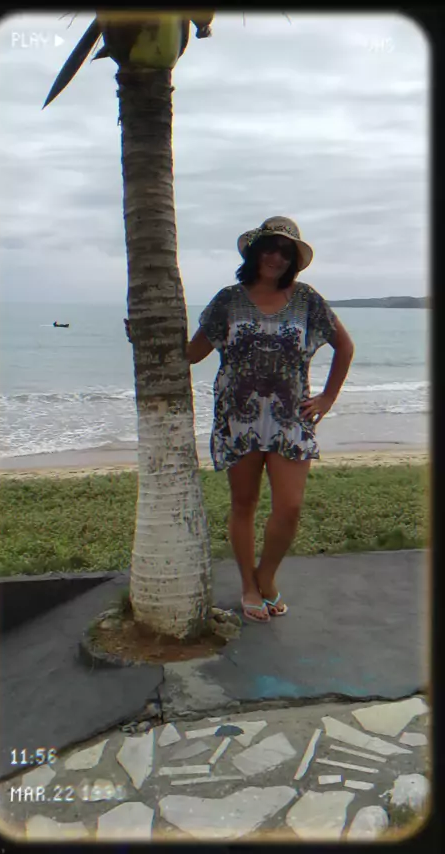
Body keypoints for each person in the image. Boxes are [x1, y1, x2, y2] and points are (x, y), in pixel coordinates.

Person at [125, 215, 354, 624]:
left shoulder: (307, 300)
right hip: (238, 416)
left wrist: (328, 397)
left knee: (290, 507)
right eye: (270, 248)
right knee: (244, 504)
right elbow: (192, 353)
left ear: (293, 261)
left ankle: (266, 576)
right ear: (255, 252)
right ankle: (249, 585)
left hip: (289, 418)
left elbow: (345, 347)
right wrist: (147, 336)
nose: (276, 258)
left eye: (285, 252)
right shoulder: (229, 300)